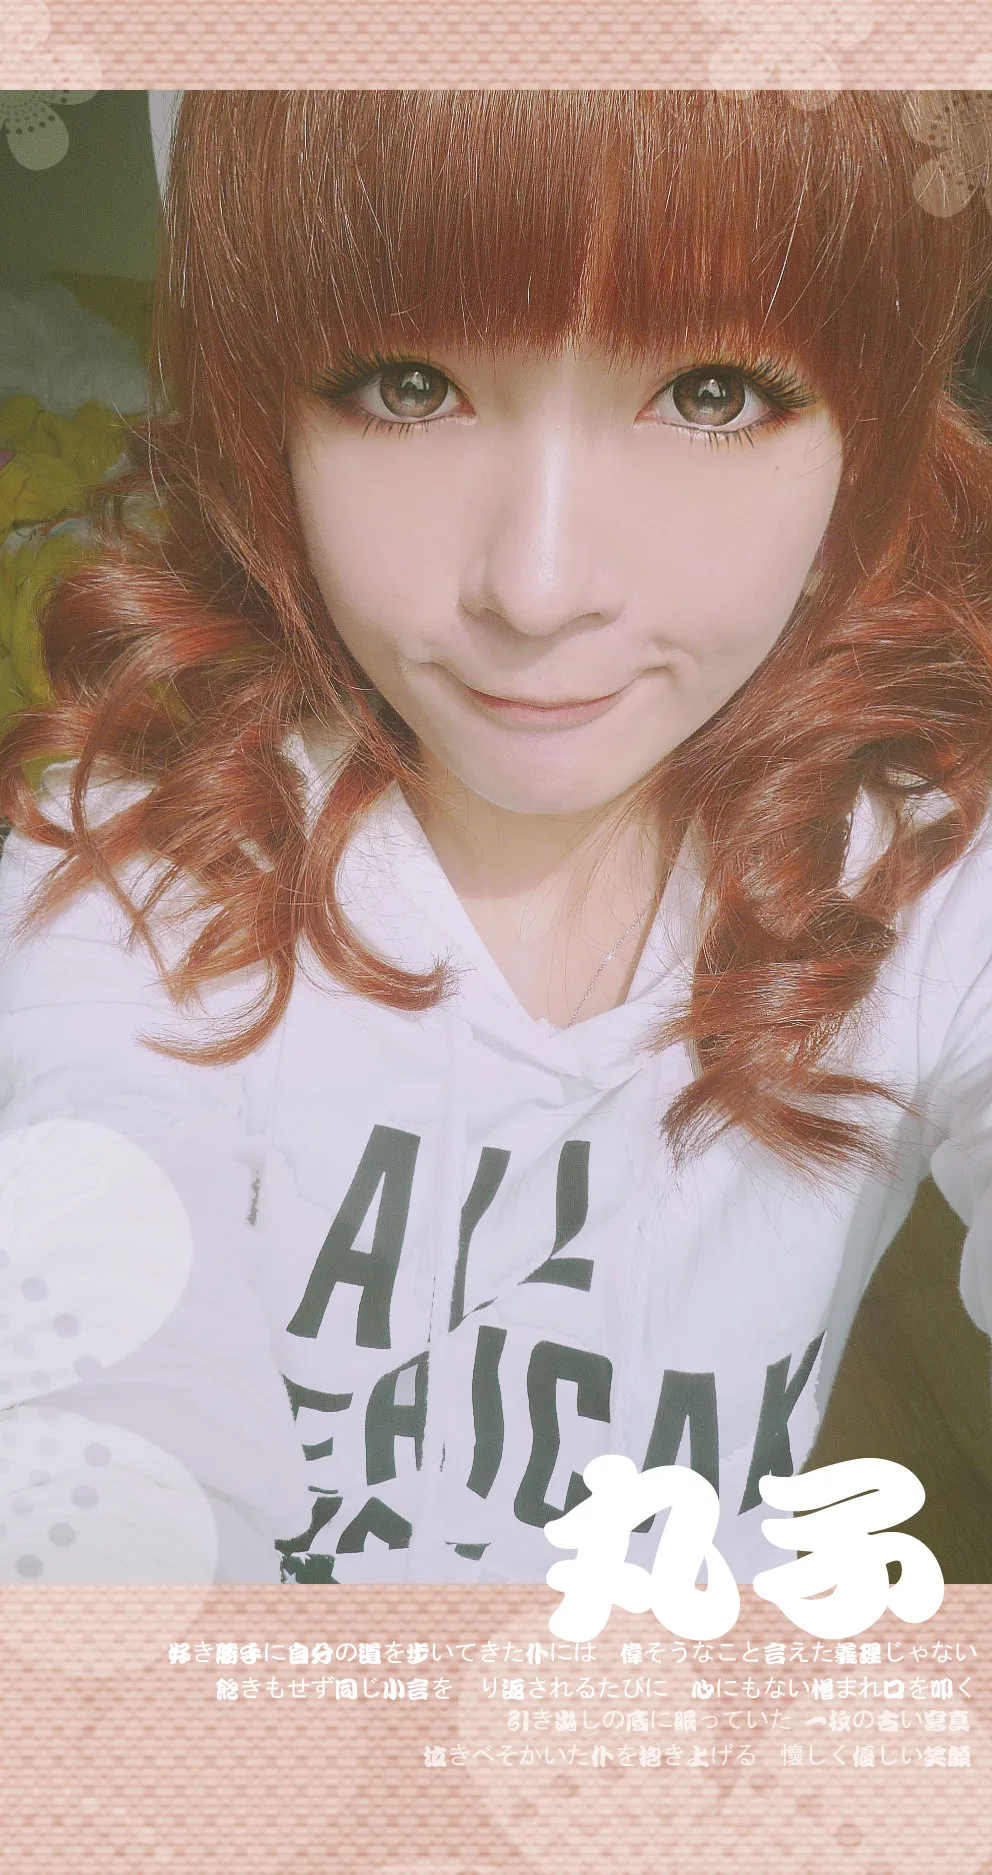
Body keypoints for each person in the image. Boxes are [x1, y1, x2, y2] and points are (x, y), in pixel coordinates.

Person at [0, 88, 991, 1587]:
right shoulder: (126, 881)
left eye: (712, 393)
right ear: (268, 416)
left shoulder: (925, 882)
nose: (537, 589)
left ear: (866, 435)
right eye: (408, 385)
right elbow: (97, 1431)